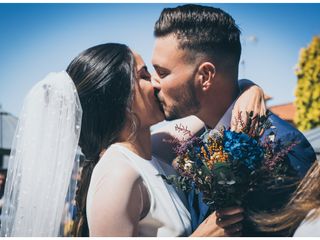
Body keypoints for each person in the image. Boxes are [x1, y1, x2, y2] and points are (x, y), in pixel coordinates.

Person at [0, 43, 265, 237]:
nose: (159, 83)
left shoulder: (156, 149)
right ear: (124, 102)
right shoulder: (117, 175)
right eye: (144, 76)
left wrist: (250, 88)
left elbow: (213, 107)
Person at [151, 4, 316, 236]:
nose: (153, 83)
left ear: (206, 76)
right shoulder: (197, 139)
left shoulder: (282, 146)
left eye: (163, 72)